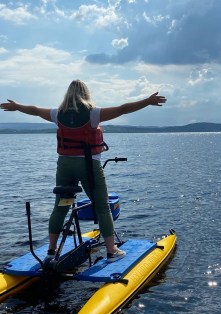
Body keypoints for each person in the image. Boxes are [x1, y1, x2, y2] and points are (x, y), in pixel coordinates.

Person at [0, 80, 167, 262]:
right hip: (88, 166)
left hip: (64, 165)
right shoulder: (93, 114)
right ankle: (112, 251)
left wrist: (16, 106)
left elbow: (34, 110)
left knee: (61, 206)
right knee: (102, 206)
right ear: (85, 93)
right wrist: (147, 101)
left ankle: (51, 250)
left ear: (68, 94)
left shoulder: (57, 114)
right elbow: (123, 109)